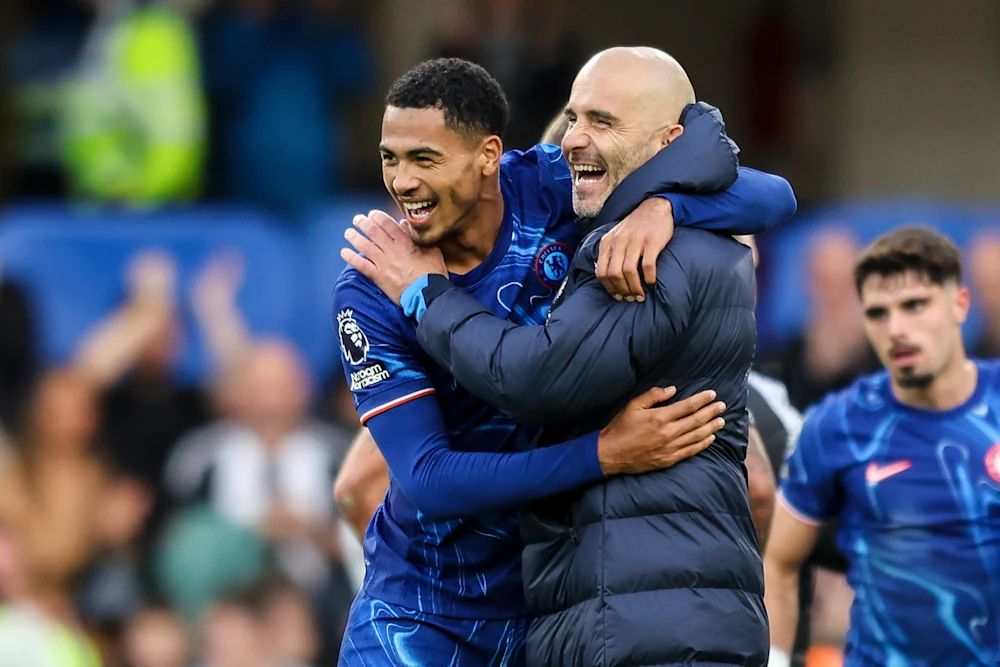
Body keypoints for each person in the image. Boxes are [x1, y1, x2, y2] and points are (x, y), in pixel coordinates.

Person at [341, 49, 795, 666]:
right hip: (423, 611)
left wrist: (667, 206)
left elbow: (772, 197)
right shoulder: (375, 283)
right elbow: (429, 481)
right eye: (390, 159)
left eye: (426, 159)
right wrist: (602, 454)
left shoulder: (553, 187)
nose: (403, 183)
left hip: (545, 607)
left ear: (488, 158)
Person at [763, 226, 1000, 666]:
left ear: (960, 304)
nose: (897, 329)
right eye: (878, 313)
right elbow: (778, 560)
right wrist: (776, 660)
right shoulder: (838, 425)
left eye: (915, 306)